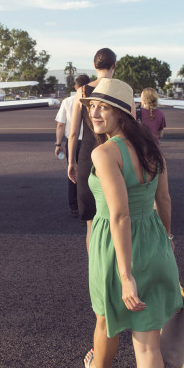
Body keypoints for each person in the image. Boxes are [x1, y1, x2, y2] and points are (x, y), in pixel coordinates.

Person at [80, 78, 181, 368]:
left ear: (121, 114)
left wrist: (126, 277)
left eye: (104, 108)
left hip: (114, 246)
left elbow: (120, 214)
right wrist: (167, 238)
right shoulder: (151, 148)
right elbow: (163, 200)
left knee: (105, 319)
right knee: (148, 346)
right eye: (92, 106)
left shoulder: (105, 154)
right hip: (153, 240)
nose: (95, 113)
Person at [68, 48, 122, 248]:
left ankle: (96, 273)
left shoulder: (82, 92)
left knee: (91, 224)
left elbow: (73, 133)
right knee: (118, 218)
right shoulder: (123, 90)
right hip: (116, 157)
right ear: (113, 65)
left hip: (87, 158)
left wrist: (71, 162)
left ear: (94, 66)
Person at [55, 74, 91, 218]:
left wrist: (58, 144)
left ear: (75, 87)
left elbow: (60, 124)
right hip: (89, 142)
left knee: (73, 173)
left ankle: (74, 207)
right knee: (90, 175)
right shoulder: (92, 101)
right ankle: (88, 207)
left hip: (72, 142)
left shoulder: (67, 101)